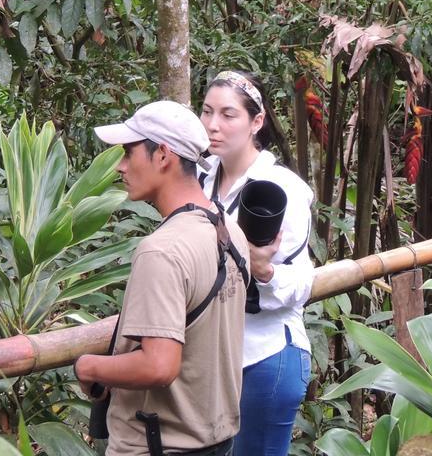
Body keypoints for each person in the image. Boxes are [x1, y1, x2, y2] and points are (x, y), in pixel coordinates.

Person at [75, 100, 250, 456]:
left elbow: (159, 365)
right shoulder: (229, 230)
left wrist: (89, 365)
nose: (121, 166)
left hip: (159, 446)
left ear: (163, 155)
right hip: (217, 441)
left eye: (129, 153)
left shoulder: (162, 251)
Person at [199, 71, 314, 456]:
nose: (214, 125)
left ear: (257, 121)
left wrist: (263, 271)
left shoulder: (283, 189)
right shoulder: (199, 178)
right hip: (212, 360)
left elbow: (302, 284)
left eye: (229, 115)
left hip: (265, 356)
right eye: (207, 111)